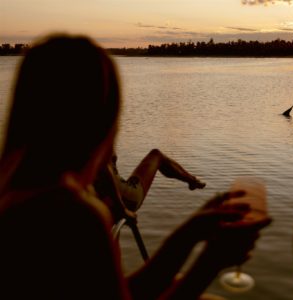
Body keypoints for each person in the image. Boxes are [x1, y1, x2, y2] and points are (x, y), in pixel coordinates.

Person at [0, 34, 271, 300]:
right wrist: (211, 262)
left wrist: (189, 233)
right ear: (99, 123)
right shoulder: (73, 215)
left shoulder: (14, 191)